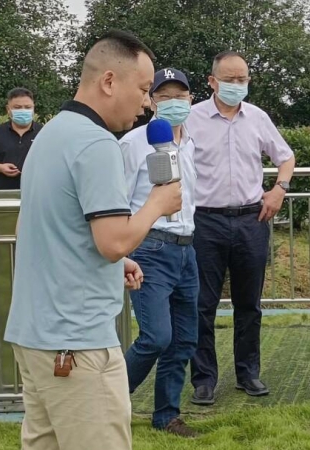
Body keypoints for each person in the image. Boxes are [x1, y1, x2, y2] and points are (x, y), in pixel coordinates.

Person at [3, 30, 182, 450]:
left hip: (34, 338)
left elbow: (42, 228)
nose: (147, 103)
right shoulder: (97, 143)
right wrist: (157, 204)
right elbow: (113, 242)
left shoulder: (50, 135)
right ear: (109, 81)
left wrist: (112, 264)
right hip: (77, 345)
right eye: (143, 89)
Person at [186, 51, 296, 405]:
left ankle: (248, 373)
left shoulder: (258, 118)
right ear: (212, 81)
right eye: (229, 79)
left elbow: (286, 157)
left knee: (249, 303)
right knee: (201, 304)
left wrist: (279, 190)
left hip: (251, 220)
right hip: (205, 221)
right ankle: (204, 379)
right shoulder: (191, 118)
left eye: (242, 79)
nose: (237, 85)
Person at [119, 68, 199, 437]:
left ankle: (167, 416)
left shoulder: (190, 143)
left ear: (191, 99)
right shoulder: (133, 143)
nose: (173, 103)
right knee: (155, 337)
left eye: (179, 96)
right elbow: (117, 201)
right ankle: (107, 403)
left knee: (183, 340)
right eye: (164, 96)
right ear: (151, 101)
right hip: (150, 247)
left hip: (186, 249)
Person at [0, 88, 42, 190]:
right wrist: (0, 168)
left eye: (27, 107)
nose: (23, 110)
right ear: (8, 109)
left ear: (33, 108)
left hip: (37, 193)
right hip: (4, 194)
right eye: (17, 107)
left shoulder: (44, 132)